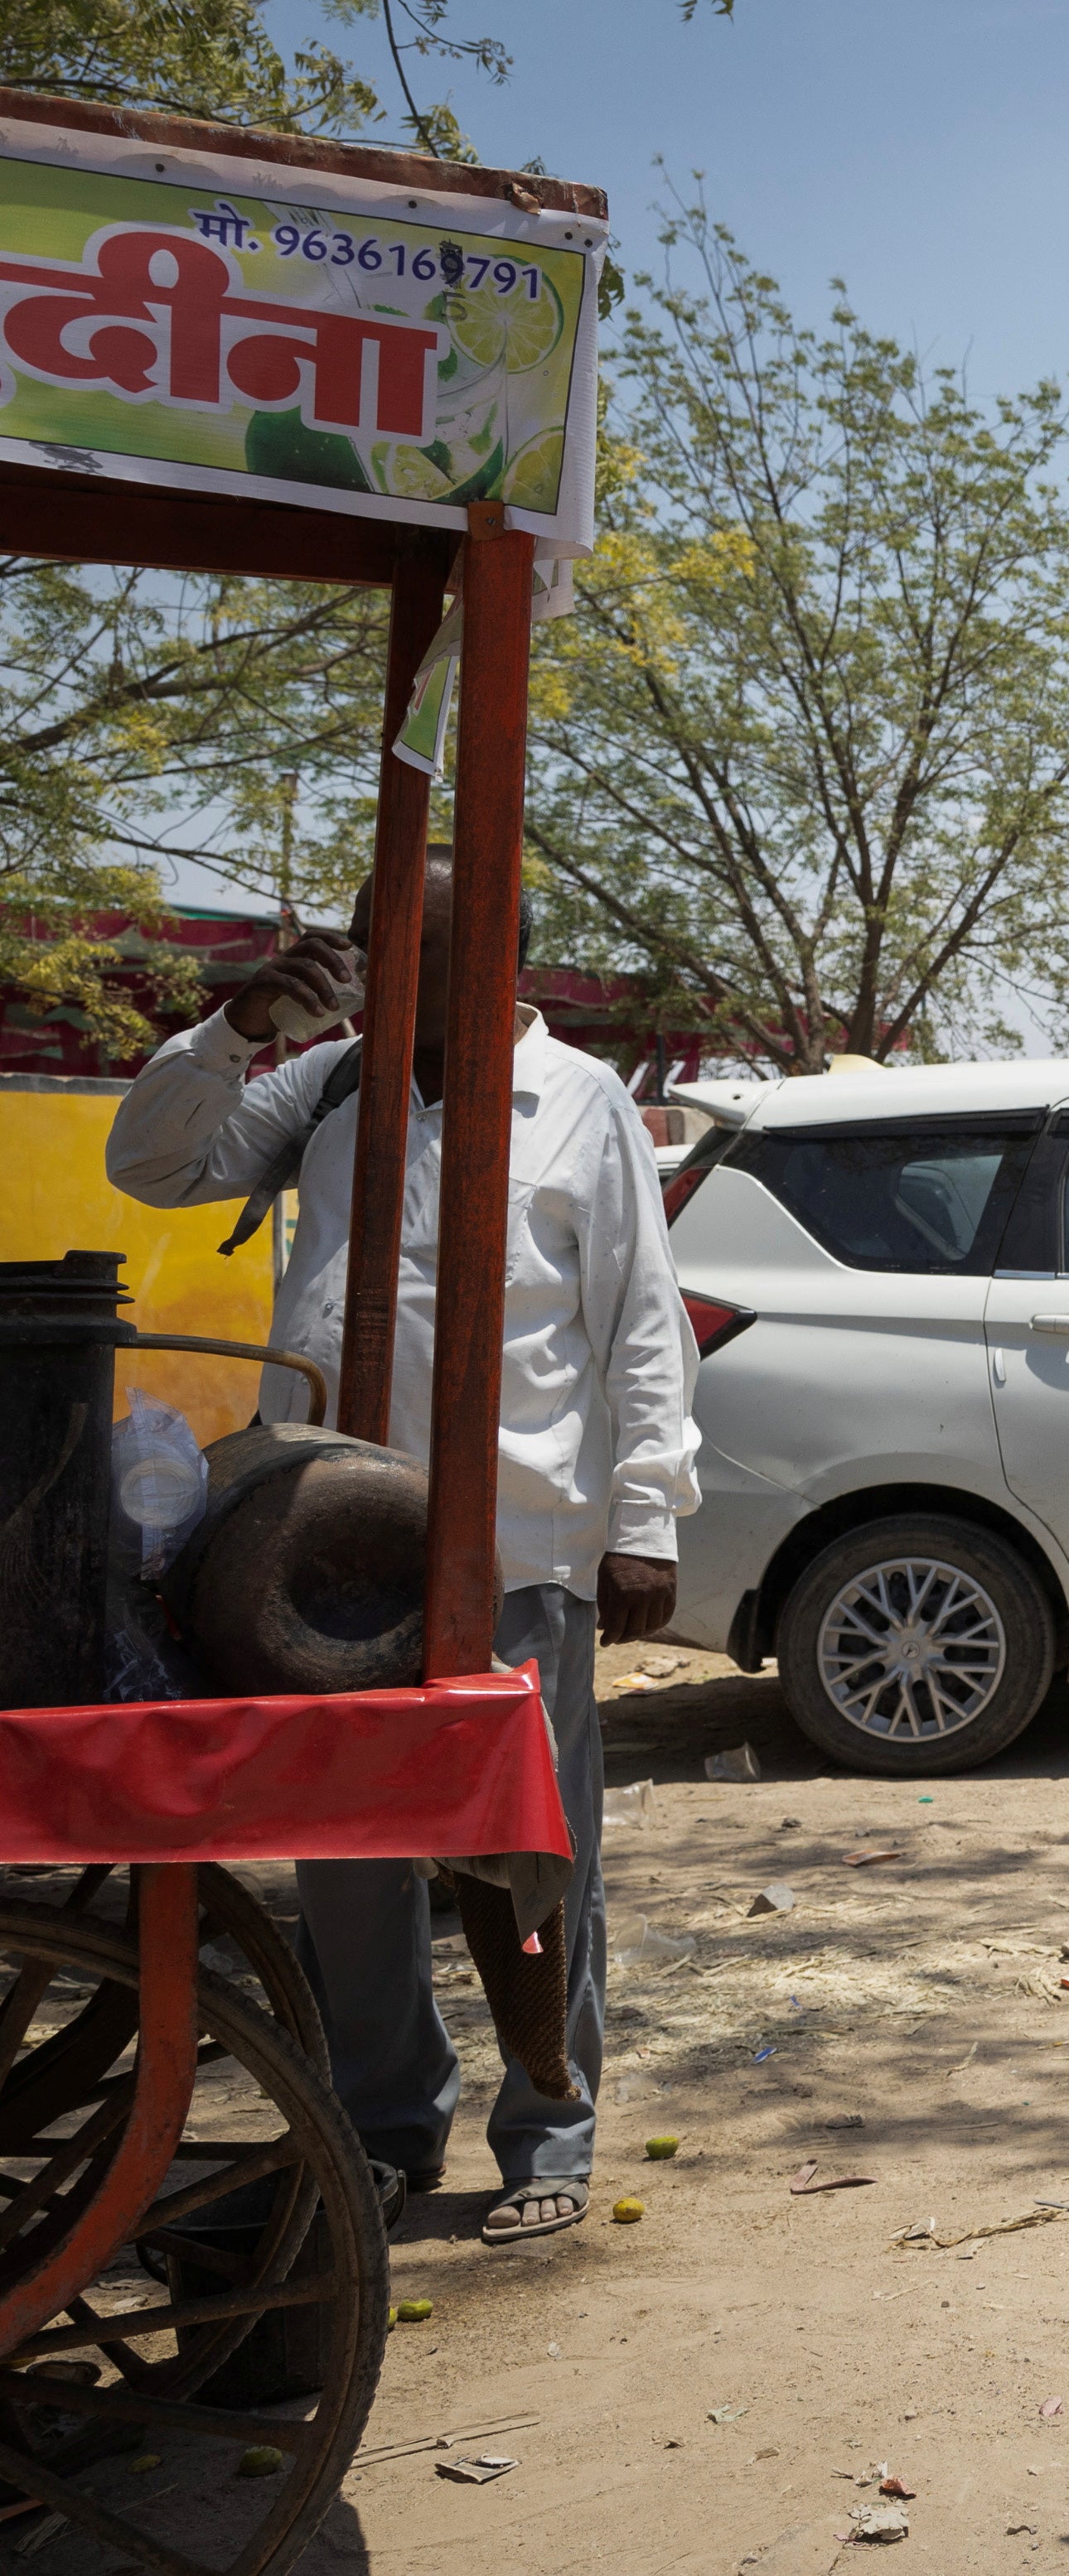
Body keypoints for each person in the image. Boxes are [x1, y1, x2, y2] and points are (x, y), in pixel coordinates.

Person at [106, 847, 699, 2250]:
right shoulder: (326, 1085)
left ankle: (549, 2122)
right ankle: (384, 2124)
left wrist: (645, 1518)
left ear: (499, 954)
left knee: (532, 1855)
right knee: (349, 1859)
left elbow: (641, 1326)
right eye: (376, 945)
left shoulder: (580, 1101)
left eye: (423, 948)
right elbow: (152, 1163)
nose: (390, 975)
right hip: (316, 1551)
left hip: (517, 1544)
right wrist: (243, 1029)